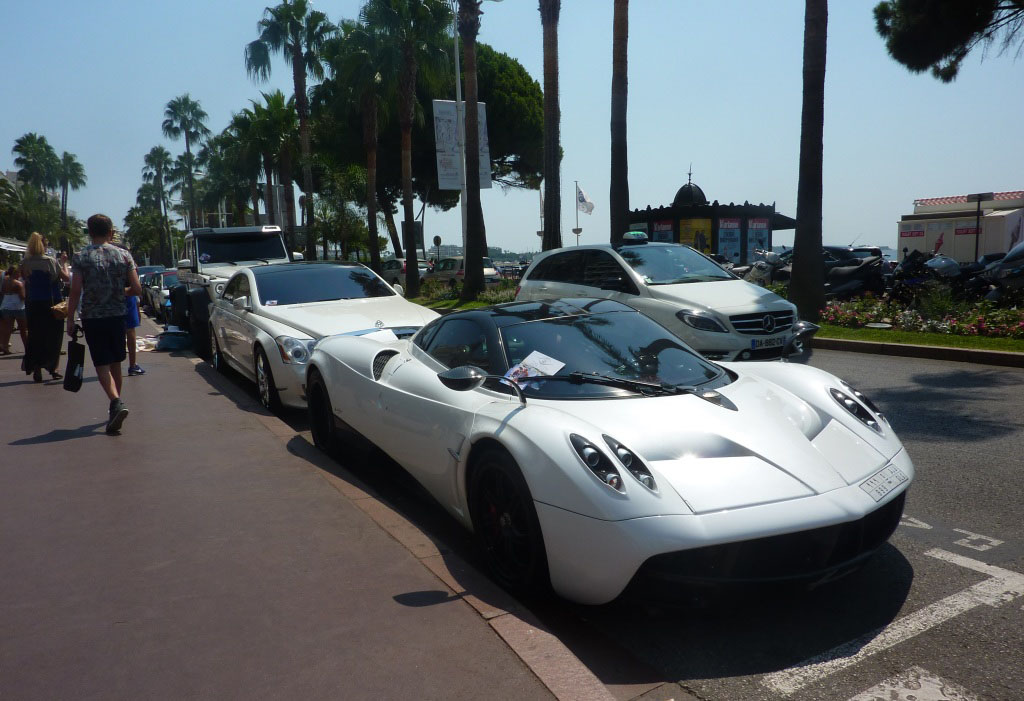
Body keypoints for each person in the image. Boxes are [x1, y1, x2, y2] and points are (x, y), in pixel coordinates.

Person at [66, 215, 142, 434]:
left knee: (102, 364)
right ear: (111, 232)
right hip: (118, 315)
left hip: (93, 316)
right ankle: (116, 404)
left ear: (90, 232)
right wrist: (119, 292)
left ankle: (115, 402)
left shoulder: (81, 256)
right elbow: (136, 289)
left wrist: (70, 318)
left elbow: (75, 290)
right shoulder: (124, 255)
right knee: (117, 362)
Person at [20, 232, 69, 382]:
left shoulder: (25, 262)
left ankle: (36, 367)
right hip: (51, 302)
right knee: (54, 336)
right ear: (44, 245)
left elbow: (26, 280)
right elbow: (65, 278)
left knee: (35, 335)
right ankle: (53, 368)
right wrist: (64, 263)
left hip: (33, 303)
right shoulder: (50, 261)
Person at [0, 266, 28, 354]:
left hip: (6, 305)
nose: (20, 274)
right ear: (15, 273)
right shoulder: (18, 284)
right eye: (18, 273)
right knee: (23, 329)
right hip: (18, 307)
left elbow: (2, 292)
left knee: (7, 329)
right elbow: (22, 297)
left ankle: (4, 347)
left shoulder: (4, 282)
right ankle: (27, 348)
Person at [124, 292, 145, 375]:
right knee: (130, 330)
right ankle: (132, 365)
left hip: (107, 300)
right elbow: (136, 288)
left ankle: (111, 366)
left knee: (114, 331)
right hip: (127, 297)